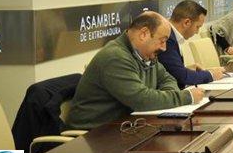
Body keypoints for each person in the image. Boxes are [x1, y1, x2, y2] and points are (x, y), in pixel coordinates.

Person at [66, 12, 204, 129]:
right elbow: (142, 99)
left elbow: (167, 79)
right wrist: (187, 96)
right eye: (162, 40)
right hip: (94, 136)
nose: (164, 48)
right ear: (143, 34)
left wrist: (166, 95)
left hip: (127, 127)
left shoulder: (146, 53)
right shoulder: (115, 57)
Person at [158, 0, 225, 89]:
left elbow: (171, 70)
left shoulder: (172, 36)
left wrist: (186, 68)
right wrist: (211, 75)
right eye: (197, 27)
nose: (197, 32)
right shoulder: (167, 39)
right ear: (186, 22)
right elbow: (182, 77)